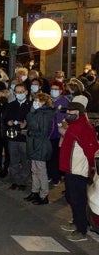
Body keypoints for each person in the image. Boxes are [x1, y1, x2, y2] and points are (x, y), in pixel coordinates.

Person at [59, 97, 99, 242]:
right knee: (71, 197)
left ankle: (81, 230)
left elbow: (92, 150)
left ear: (79, 112)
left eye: (71, 110)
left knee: (78, 200)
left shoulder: (83, 128)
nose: (68, 112)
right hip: (70, 169)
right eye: (67, 110)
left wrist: (92, 168)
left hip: (78, 170)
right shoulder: (74, 125)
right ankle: (77, 221)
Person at [24, 92, 56, 205]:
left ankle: (44, 195)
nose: (35, 103)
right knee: (34, 170)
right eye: (35, 100)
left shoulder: (45, 114)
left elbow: (42, 132)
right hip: (34, 144)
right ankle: (35, 191)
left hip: (40, 145)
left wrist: (29, 132)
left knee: (41, 171)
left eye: (38, 101)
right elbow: (30, 121)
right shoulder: (36, 112)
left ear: (44, 102)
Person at [4, 83, 32, 191]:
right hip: (13, 136)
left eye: (21, 92)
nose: (19, 94)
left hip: (25, 138)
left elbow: (34, 121)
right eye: (17, 92)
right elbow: (5, 118)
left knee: (25, 160)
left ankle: (23, 182)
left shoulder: (31, 105)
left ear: (26, 92)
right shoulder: (11, 105)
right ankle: (15, 181)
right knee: (13, 160)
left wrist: (27, 124)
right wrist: (8, 121)